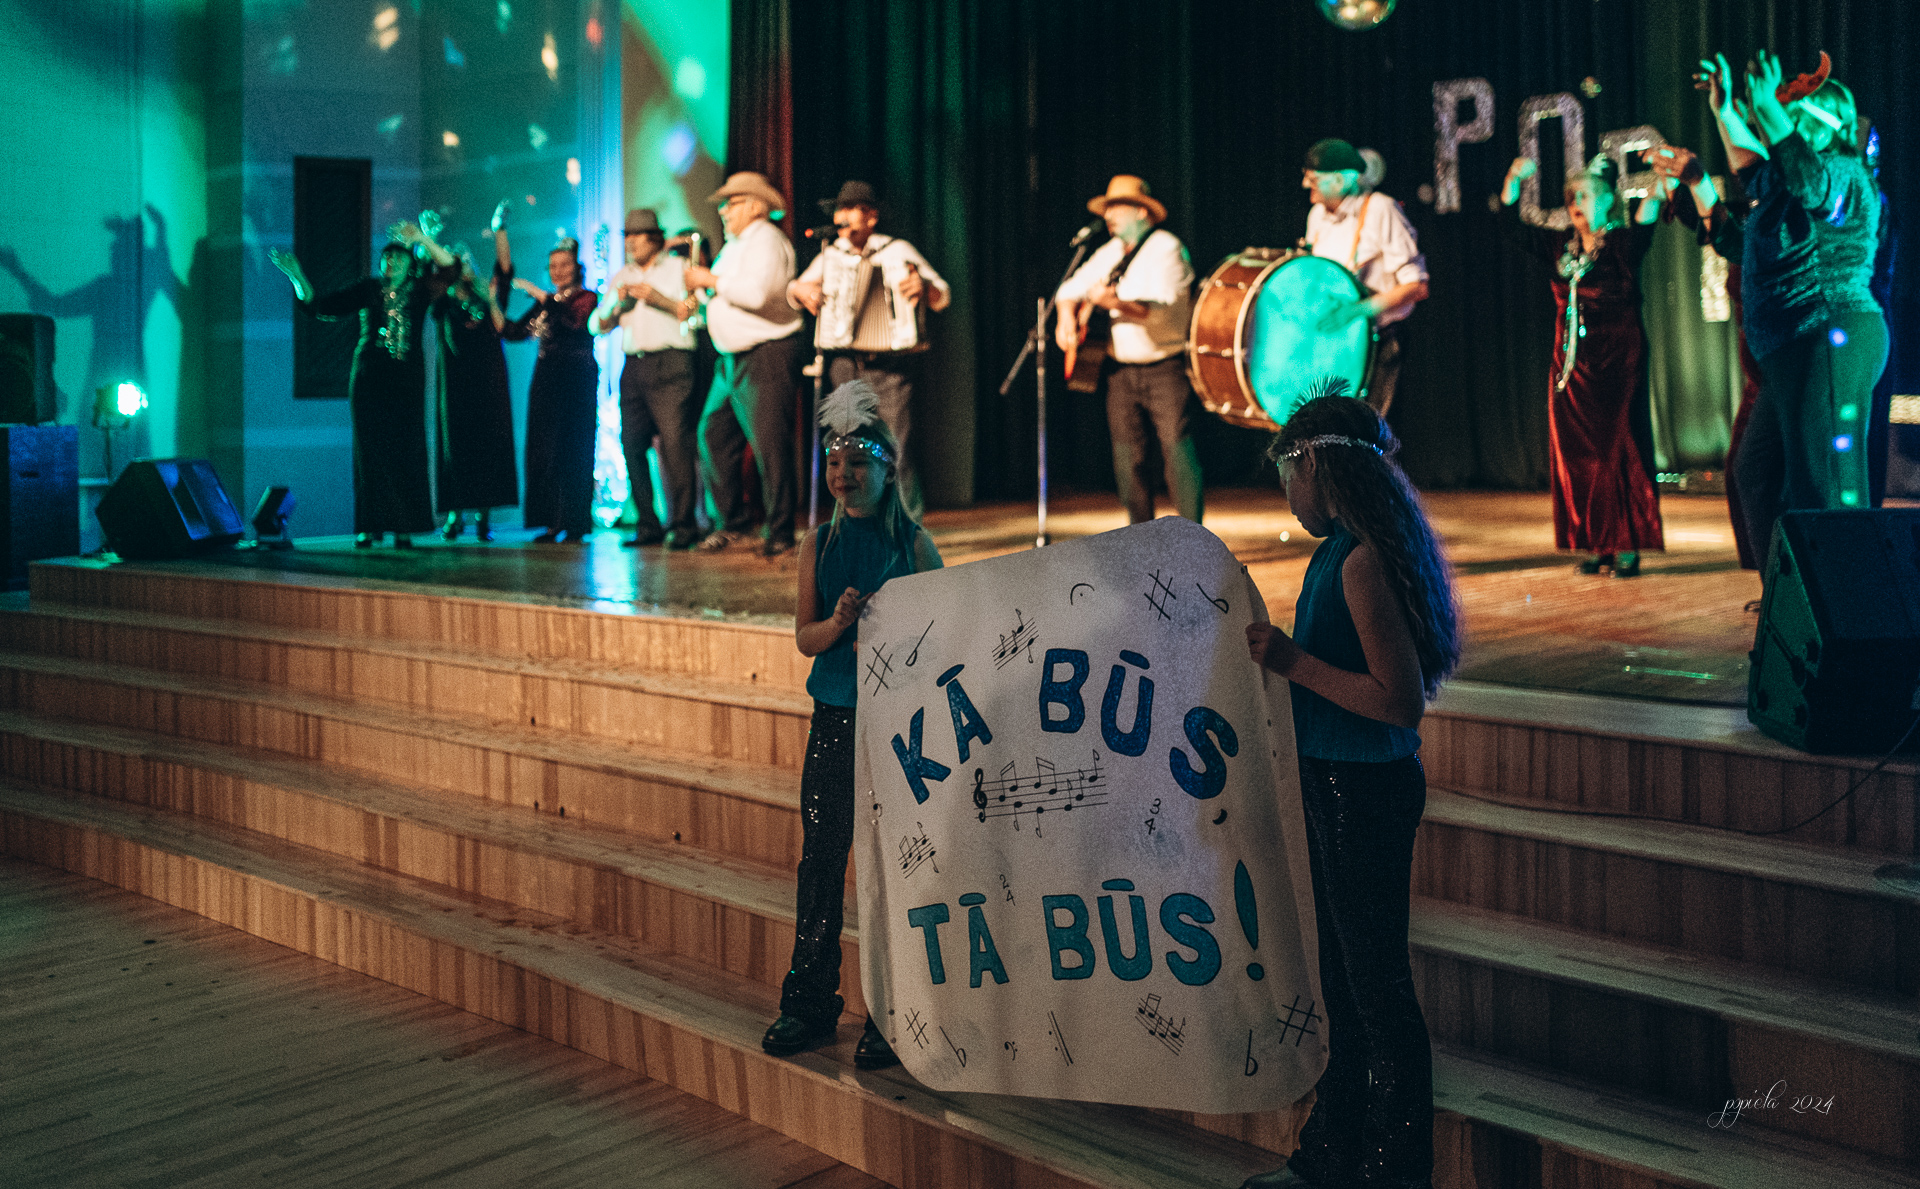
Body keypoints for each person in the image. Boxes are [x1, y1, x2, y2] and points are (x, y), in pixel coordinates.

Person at [1239, 386, 1461, 1189]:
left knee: (1376, 988)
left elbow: (1397, 701)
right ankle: (1332, 1151)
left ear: (1316, 468)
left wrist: (1291, 662)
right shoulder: (1338, 552)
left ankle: (1395, 1166)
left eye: (1287, 477)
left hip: (1363, 790)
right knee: (1340, 982)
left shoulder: (1362, 563)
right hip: (1333, 779)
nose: (1288, 496)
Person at [761, 379, 943, 1068]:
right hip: (836, 720)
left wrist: (901, 640)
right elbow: (805, 639)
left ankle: (891, 1012)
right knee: (822, 858)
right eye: (834, 463)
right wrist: (838, 624)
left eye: (858, 462)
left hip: (897, 727)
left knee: (892, 866)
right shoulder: (818, 543)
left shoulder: (915, 544)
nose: (843, 475)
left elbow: (946, 631)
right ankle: (809, 1000)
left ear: (887, 468)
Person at [1700, 49, 1884, 558]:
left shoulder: (1843, 172)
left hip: (1831, 335)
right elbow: (1751, 167)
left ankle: (1847, 595)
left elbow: (1812, 183)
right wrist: (1724, 109)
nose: (1779, 130)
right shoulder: (1783, 183)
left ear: (1827, 124)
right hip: (1793, 350)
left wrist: (1766, 108)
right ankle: (1787, 594)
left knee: (1827, 487)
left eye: (1792, 120)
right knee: (1756, 472)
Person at [1499, 152, 1668, 576]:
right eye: (1571, 197)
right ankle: (1595, 542)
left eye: (1585, 195)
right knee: (1579, 452)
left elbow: (1649, 216)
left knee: (1621, 447)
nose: (1576, 204)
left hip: (1618, 360)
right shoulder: (1560, 246)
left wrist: (1660, 186)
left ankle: (1626, 543)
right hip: (1571, 365)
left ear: (1608, 199)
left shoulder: (1623, 244)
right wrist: (1513, 180)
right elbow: (1511, 228)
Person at [789, 180, 952, 519]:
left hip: (890, 365)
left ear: (871, 217)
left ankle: (907, 528)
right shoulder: (830, 254)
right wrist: (801, 290)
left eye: (852, 209)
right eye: (840, 209)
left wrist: (923, 288)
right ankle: (855, 525)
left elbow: (942, 295)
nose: (843, 216)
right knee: (848, 450)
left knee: (895, 448)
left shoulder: (897, 250)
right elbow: (796, 289)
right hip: (845, 362)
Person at [269, 226, 438, 548]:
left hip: (406, 384)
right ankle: (369, 525)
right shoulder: (369, 289)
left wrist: (421, 238)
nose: (392, 263)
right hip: (369, 380)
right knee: (369, 452)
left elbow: (450, 270)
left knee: (405, 450)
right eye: (387, 258)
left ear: (410, 266)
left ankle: (403, 526)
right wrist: (297, 276)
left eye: (399, 259)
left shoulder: (419, 291)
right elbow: (322, 307)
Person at [1054, 174, 1204, 525]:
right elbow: (1069, 290)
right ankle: (1139, 534)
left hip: (1164, 366)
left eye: (1117, 208)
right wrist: (1065, 318)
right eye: (1107, 209)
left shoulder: (1166, 248)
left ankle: (1193, 534)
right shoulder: (1109, 252)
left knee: (1176, 450)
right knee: (1127, 457)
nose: (1108, 215)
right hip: (1119, 369)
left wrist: (1115, 303)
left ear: (1141, 212)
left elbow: (1162, 307)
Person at [687, 172, 804, 557]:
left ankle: (781, 530)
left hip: (765, 353)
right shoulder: (736, 245)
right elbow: (728, 295)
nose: (723, 211)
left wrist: (709, 279)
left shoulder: (766, 240)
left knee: (770, 445)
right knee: (713, 435)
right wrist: (704, 292)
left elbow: (756, 295)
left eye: (731, 203)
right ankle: (733, 523)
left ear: (756, 206)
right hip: (731, 359)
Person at [591, 208, 702, 549]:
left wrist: (656, 298)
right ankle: (648, 525)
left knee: (675, 444)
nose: (630, 242)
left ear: (654, 238)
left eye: (637, 235)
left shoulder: (679, 268)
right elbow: (597, 325)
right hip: (633, 365)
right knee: (631, 443)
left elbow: (693, 312)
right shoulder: (622, 276)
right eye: (627, 236)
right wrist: (616, 307)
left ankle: (684, 525)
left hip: (672, 361)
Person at [1301, 139, 1431, 418]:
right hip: (1332, 348)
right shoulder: (1316, 216)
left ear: (1340, 180)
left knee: (1369, 435)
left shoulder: (1381, 209)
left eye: (1313, 179)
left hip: (1378, 347)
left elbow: (1417, 286)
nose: (1305, 184)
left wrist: (1356, 311)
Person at [432, 202, 520, 541]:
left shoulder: (488, 295)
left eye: (467, 260)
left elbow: (505, 270)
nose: (464, 265)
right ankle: (455, 514)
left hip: (488, 383)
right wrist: (429, 239)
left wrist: (499, 229)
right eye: (458, 261)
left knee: (488, 445)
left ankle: (484, 514)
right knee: (455, 445)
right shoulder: (442, 301)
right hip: (456, 385)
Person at [504, 235, 600, 543]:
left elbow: (575, 323)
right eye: (553, 266)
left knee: (574, 448)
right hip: (546, 379)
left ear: (576, 267)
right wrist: (491, 302)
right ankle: (550, 522)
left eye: (564, 265)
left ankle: (573, 523)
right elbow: (515, 332)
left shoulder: (586, 298)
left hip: (576, 380)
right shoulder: (547, 302)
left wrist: (542, 296)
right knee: (545, 450)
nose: (558, 271)